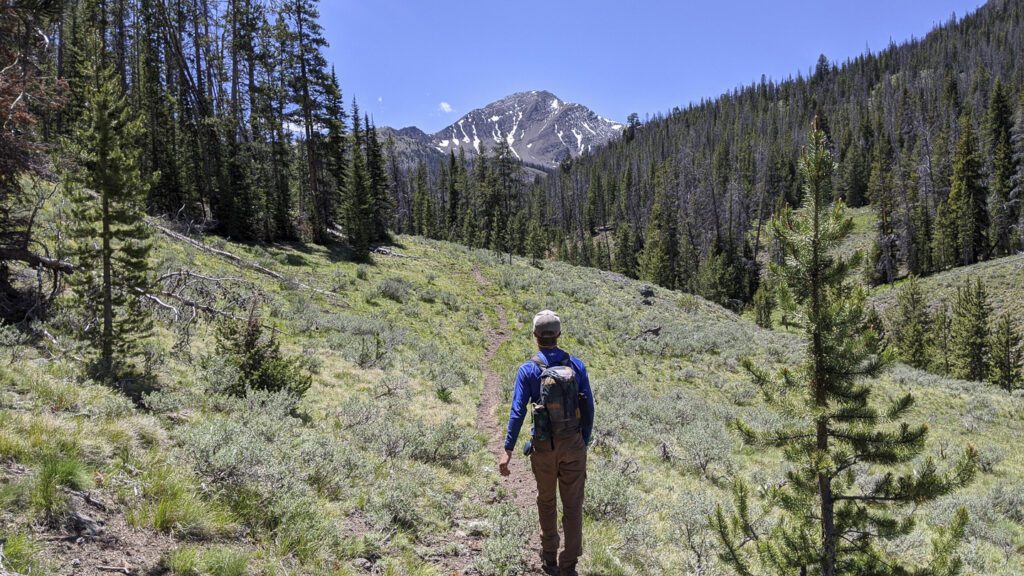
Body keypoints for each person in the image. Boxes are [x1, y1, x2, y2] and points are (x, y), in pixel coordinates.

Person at [499, 310, 595, 576]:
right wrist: (582, 441)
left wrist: (507, 450)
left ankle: (549, 560)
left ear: (535, 336)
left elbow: (517, 411)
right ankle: (569, 564)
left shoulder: (528, 369)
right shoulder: (576, 365)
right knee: (573, 506)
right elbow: (589, 408)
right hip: (573, 444)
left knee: (546, 501)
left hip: (544, 447)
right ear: (559, 335)